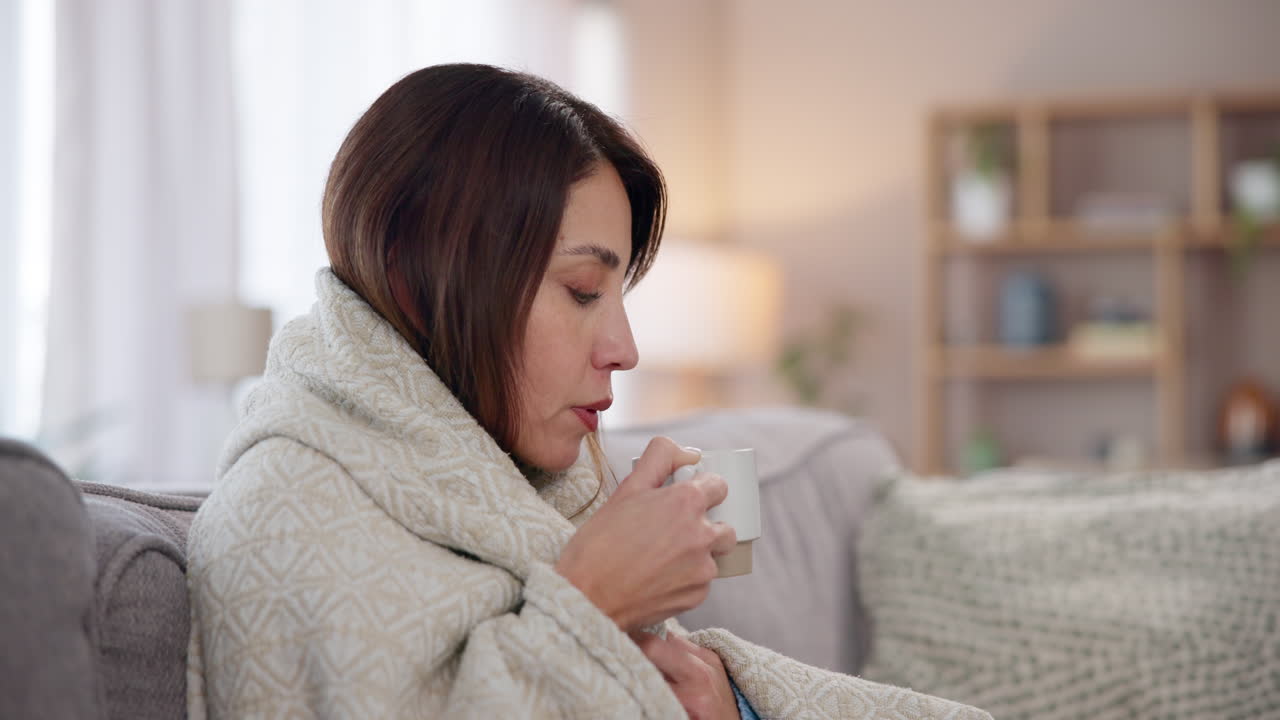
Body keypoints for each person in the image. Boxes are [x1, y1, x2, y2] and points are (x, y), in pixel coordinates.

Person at [185, 63, 990, 720]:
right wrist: (591, 603)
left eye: (620, 297)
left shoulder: (549, 489)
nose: (625, 348)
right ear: (416, 279)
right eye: (581, 291)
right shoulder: (281, 521)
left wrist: (728, 705)